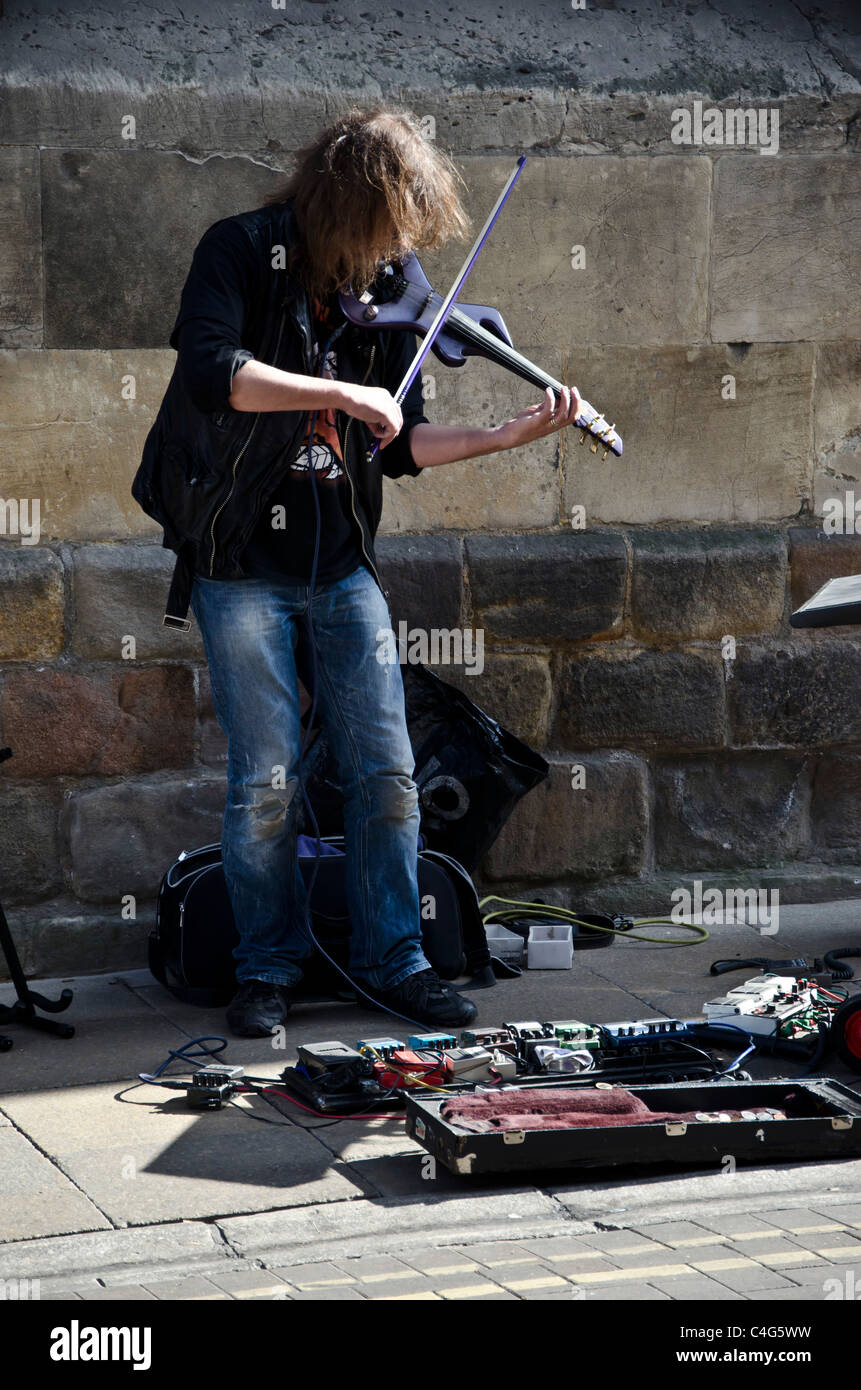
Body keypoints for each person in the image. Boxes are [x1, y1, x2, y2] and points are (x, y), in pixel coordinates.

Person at [133, 108, 581, 1037]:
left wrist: (506, 434)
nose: (397, 251)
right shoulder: (241, 250)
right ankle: (266, 966)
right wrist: (340, 390)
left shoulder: (389, 288)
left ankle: (394, 960)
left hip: (341, 567)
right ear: (343, 205)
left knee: (385, 771)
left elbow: (401, 443)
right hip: (239, 561)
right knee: (264, 779)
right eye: (385, 229)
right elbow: (217, 373)